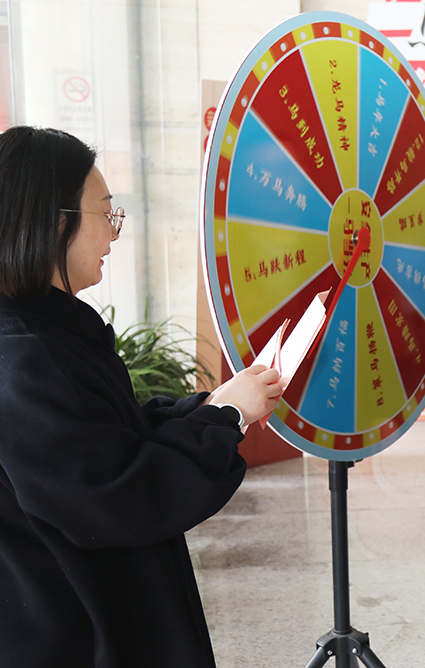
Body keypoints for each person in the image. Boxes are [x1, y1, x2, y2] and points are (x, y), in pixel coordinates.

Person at [0, 126, 283, 667]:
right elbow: (115, 496)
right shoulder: (21, 359)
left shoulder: (49, 327)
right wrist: (223, 418)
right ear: (51, 221)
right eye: (105, 212)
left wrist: (207, 409)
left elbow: (108, 435)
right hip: (75, 630)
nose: (115, 232)